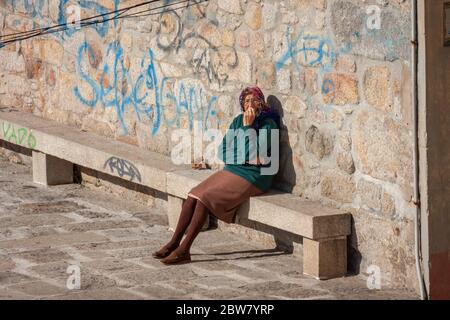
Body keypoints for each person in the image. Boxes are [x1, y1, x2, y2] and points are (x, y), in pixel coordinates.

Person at [152, 86, 279, 265]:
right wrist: (243, 154)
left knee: (205, 197)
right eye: (246, 101)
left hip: (256, 176)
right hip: (234, 169)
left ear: (261, 103)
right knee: (193, 194)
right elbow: (224, 152)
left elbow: (258, 158)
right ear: (242, 105)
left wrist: (248, 128)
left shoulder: (268, 125)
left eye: (254, 100)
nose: (250, 104)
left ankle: (184, 250)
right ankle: (174, 242)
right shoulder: (237, 121)